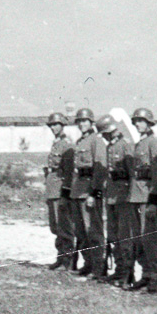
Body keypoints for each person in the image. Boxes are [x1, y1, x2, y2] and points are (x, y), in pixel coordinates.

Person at [128, 108, 157, 293]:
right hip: (136, 196)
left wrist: (154, 200)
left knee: (150, 238)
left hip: (147, 197)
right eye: (136, 121)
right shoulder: (140, 143)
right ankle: (146, 273)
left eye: (141, 121)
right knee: (139, 238)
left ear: (149, 123)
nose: (137, 124)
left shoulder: (155, 143)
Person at [97, 114, 134, 286]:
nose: (104, 136)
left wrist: (130, 196)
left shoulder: (125, 144)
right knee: (113, 235)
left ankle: (127, 273)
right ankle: (119, 270)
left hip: (123, 196)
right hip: (111, 195)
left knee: (124, 236)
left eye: (105, 133)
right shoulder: (110, 146)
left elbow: (132, 174)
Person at [71, 108, 108, 279]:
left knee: (93, 230)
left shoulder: (96, 141)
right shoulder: (80, 141)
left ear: (91, 122)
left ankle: (99, 267)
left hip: (89, 190)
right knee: (81, 231)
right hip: (78, 190)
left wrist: (94, 192)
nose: (81, 124)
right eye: (79, 121)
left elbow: (100, 169)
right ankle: (88, 263)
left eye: (85, 121)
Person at [43, 112, 76, 270]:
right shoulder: (56, 143)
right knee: (55, 226)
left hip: (60, 189)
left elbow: (69, 170)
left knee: (64, 226)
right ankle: (61, 256)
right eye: (51, 125)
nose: (53, 127)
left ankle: (68, 260)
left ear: (62, 125)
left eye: (56, 124)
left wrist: (65, 191)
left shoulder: (66, 144)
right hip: (52, 189)